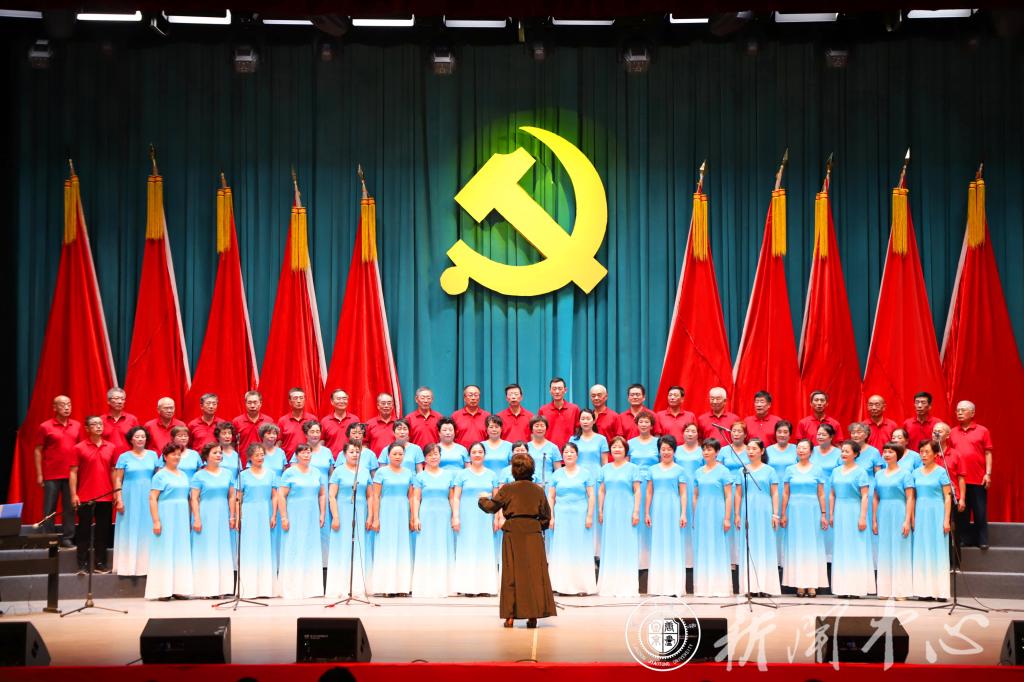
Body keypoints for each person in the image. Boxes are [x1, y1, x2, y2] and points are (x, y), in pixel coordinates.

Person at [478, 453, 556, 628]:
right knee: (534, 574)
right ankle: (533, 616)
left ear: (513, 470)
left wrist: (482, 498)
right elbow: (546, 516)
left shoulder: (508, 489)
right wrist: (535, 526)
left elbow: (491, 507)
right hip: (533, 533)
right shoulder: (538, 490)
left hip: (513, 532)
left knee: (511, 573)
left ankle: (510, 616)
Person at [145, 442, 193, 600]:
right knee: (164, 551)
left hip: (181, 516)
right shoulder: (160, 476)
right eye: (173, 454)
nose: (177, 457)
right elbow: (152, 498)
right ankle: (163, 590)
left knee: (180, 550)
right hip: (166, 515)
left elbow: (187, 497)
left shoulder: (184, 475)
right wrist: (156, 521)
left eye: (179, 454)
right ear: (165, 457)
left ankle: (179, 588)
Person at [547, 442, 597, 595]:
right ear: (562, 456)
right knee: (562, 549)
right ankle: (561, 585)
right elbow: (551, 497)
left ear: (577, 455)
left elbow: (591, 496)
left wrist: (589, 516)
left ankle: (581, 586)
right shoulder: (556, 474)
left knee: (580, 549)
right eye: (566, 452)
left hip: (580, 516)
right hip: (561, 516)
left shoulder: (586, 473)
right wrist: (551, 516)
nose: (569, 454)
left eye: (572, 452)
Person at [781, 439, 828, 597]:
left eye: (805, 448)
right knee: (797, 545)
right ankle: (799, 584)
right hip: (794, 511)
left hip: (813, 510)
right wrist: (783, 513)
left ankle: (812, 584)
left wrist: (823, 514)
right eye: (799, 448)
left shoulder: (817, 469)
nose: (801, 450)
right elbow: (785, 493)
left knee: (812, 546)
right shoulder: (790, 469)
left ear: (811, 451)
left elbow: (821, 494)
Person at [278, 443, 326, 598]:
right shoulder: (289, 473)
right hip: (294, 515)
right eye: (303, 453)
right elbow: (281, 495)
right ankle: (292, 587)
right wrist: (284, 517)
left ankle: (311, 588)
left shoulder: (316, 472)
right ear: (296, 455)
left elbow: (322, 494)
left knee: (311, 548)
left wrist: (322, 513)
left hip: (312, 515)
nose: (307, 455)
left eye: (309, 452)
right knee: (294, 547)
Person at [326, 441, 374, 598]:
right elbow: (332, 496)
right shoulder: (338, 472)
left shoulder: (364, 471)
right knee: (343, 548)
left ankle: (358, 587)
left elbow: (370, 496)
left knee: (359, 548)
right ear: (344, 454)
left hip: (360, 513)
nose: (355, 454)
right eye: (351, 452)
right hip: (343, 513)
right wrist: (335, 517)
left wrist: (370, 516)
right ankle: (340, 587)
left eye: (357, 452)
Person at [734, 438, 781, 596]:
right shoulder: (742, 470)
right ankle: (751, 587)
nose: (751, 451)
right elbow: (738, 494)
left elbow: (775, 493)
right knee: (750, 546)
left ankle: (766, 587)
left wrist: (775, 514)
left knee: (765, 546)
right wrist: (737, 514)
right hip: (747, 510)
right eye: (749, 449)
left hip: (765, 510)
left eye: (754, 448)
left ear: (762, 451)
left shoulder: (770, 470)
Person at [452, 442, 500, 595]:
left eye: (480, 452)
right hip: (466, 517)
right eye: (474, 452)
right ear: (469, 455)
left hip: (486, 517)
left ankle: (485, 587)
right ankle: (467, 587)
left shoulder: (492, 475)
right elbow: (456, 497)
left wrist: (497, 518)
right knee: (467, 548)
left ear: (484, 455)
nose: (477, 455)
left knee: (485, 549)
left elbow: (497, 499)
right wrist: (455, 517)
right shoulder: (462, 474)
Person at [70, 416, 116, 573]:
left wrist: (115, 492)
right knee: (83, 531)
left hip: (106, 495)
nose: (98, 426)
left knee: (102, 532)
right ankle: (82, 564)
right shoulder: (79, 448)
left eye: (100, 424)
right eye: (94, 424)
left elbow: (113, 471)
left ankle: (100, 564)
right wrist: (73, 494)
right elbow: (73, 472)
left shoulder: (111, 447)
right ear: (87, 428)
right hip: (85, 496)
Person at [596, 436, 642, 597]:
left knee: (626, 545)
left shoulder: (633, 468)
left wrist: (636, 511)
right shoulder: (605, 469)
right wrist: (600, 510)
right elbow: (602, 490)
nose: (617, 449)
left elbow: (637, 490)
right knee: (611, 544)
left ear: (625, 450)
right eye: (614, 447)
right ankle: (609, 585)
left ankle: (626, 586)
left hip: (627, 511)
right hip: (610, 510)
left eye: (620, 447)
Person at [34, 395, 82, 547]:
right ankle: (48, 538)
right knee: (50, 507)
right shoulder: (45, 426)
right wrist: (39, 474)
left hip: (71, 474)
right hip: (51, 474)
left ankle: (68, 537)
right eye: (62, 405)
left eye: (69, 404)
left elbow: (81, 449)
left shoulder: (77, 425)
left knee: (70, 508)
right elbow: (38, 450)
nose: (66, 407)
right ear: (54, 407)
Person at [828, 440, 874, 598]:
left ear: (855, 454)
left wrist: (863, 517)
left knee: (855, 548)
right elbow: (832, 494)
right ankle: (842, 588)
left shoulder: (861, 472)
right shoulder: (836, 471)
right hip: (840, 510)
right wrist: (831, 514)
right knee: (841, 548)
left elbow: (865, 496)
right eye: (842, 451)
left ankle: (856, 588)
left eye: (847, 451)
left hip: (855, 510)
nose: (843, 454)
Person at [190, 443, 236, 598]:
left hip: (222, 514)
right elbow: (194, 498)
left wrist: (232, 515)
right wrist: (196, 518)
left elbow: (231, 496)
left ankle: (222, 588)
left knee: (222, 550)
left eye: (220, 452)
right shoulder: (199, 476)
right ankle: (205, 589)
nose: (219, 455)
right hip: (205, 515)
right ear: (206, 456)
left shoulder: (228, 474)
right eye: (215, 452)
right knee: (206, 550)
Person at [410, 443, 456, 598]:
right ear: (425, 458)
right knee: (426, 548)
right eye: (430, 455)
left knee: (443, 547)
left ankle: (445, 586)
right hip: (426, 515)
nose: (433, 457)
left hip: (444, 514)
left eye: (436, 454)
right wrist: (415, 517)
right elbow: (416, 498)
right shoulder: (420, 476)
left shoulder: (449, 475)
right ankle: (425, 586)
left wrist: (454, 516)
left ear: (440, 456)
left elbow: (452, 498)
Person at [645, 436, 688, 596]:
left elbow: (683, 493)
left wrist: (683, 513)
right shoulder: (652, 469)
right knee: (658, 544)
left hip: (673, 509)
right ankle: (658, 587)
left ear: (674, 451)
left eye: (669, 449)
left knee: (673, 544)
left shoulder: (680, 470)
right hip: (657, 509)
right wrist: (647, 512)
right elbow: (649, 492)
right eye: (663, 449)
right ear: (659, 451)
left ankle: (674, 587)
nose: (666, 452)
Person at [113, 426, 159, 575]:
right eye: (137, 437)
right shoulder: (124, 457)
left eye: (143, 437)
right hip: (129, 496)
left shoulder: (153, 455)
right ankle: (128, 566)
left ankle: (147, 566)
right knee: (129, 527)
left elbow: (158, 477)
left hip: (149, 497)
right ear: (131, 439)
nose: (140, 439)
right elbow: (118, 479)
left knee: (147, 528)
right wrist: (119, 499)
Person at [371, 443, 416, 596]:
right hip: (386, 511)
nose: (398, 457)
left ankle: (402, 587)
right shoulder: (381, 472)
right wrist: (375, 518)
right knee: (387, 547)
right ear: (388, 455)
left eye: (400, 454)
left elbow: (411, 496)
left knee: (402, 547)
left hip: (403, 511)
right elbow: (376, 496)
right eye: (394, 454)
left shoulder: (409, 472)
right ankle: (386, 587)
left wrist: (413, 517)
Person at [691, 438, 734, 597]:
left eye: (709, 449)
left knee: (717, 546)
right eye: (704, 449)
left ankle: (719, 586)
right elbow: (695, 496)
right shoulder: (698, 472)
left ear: (717, 452)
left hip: (718, 511)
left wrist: (727, 518)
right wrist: (695, 515)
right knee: (703, 546)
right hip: (702, 512)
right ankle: (703, 586)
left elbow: (728, 496)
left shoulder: (724, 471)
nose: (706, 452)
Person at [948, 400, 993, 549]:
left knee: (980, 511)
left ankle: (982, 540)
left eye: (963, 410)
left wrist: (988, 474)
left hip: (978, 478)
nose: (959, 413)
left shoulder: (982, 431)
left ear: (972, 413)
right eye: (957, 410)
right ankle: (964, 539)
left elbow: (988, 453)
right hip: (959, 479)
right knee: (962, 512)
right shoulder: (952, 432)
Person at [874, 442, 916, 599]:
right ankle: (884, 589)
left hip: (899, 510)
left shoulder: (905, 474)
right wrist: (874, 520)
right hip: (883, 511)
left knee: (900, 550)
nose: (886, 454)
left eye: (890, 452)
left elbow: (910, 497)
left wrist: (907, 520)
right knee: (884, 550)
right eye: (885, 451)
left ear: (897, 455)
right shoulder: (879, 474)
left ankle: (901, 590)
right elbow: (876, 498)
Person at [913, 440, 952, 600]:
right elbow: (912, 497)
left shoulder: (941, 472)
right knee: (922, 550)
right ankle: (924, 591)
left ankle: (940, 591)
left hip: (937, 512)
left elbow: (947, 497)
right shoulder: (915, 473)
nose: (923, 455)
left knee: (938, 551)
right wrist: (912, 517)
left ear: (936, 454)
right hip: (921, 512)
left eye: (927, 452)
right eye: (921, 452)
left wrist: (946, 520)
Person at [238, 443, 278, 599]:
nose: (260, 457)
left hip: (265, 512)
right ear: (250, 457)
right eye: (257, 455)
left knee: (265, 548)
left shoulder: (271, 474)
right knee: (250, 548)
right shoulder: (243, 475)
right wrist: (237, 516)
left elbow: (274, 496)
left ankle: (265, 589)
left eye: (262, 454)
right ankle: (249, 588)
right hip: (249, 513)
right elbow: (238, 498)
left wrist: (273, 515)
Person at [627, 411, 659, 569]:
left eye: (647, 422)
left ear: (652, 425)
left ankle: (652, 559)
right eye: (641, 422)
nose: (644, 424)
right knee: (636, 519)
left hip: (654, 485)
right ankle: (636, 559)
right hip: (635, 486)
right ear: (637, 424)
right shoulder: (630, 443)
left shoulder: (658, 442)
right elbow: (626, 465)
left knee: (652, 518)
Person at [765, 420, 797, 566]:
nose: (782, 435)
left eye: (785, 432)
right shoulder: (768, 450)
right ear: (775, 433)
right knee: (774, 522)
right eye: (779, 432)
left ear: (790, 434)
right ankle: (775, 559)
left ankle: (788, 559)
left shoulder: (796, 449)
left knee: (789, 523)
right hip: (773, 490)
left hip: (792, 491)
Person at [812, 424, 842, 560]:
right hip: (813, 491)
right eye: (818, 434)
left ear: (831, 437)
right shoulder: (811, 451)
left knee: (830, 520)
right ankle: (816, 554)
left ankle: (829, 556)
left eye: (824, 434)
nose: (820, 437)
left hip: (831, 491)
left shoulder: (838, 453)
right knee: (815, 521)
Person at [538, 377, 580, 449]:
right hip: (548, 450)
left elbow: (578, 431)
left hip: (568, 451)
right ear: (550, 391)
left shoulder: (574, 409)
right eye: (554, 389)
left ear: (565, 390)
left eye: (560, 389)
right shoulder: (543, 410)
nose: (557, 391)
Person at [232, 390, 275, 460]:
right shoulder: (236, 422)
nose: (252, 406)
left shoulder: (269, 421)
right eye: (249, 403)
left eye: (255, 402)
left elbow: (273, 442)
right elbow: (232, 443)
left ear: (260, 403)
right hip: (243, 462)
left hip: (264, 461)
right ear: (245, 403)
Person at [277, 388, 316, 455]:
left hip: (307, 458)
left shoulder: (312, 419)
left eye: (301, 398)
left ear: (304, 400)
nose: (299, 401)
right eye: (295, 398)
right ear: (290, 401)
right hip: (288, 459)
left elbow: (316, 441)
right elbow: (278, 443)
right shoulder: (282, 421)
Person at [101, 387, 138, 455]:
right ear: (108, 401)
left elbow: (137, 441)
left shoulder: (132, 419)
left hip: (128, 458)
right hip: (107, 457)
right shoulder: (101, 420)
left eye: (122, 399)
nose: (120, 402)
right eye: (116, 398)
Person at [322, 388, 361, 453]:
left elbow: (359, 441)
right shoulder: (325, 421)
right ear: (332, 402)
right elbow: (321, 442)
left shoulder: (355, 420)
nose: (342, 401)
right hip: (331, 458)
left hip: (350, 458)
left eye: (344, 398)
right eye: (338, 399)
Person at [451, 384, 490, 449]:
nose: (473, 398)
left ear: (479, 398)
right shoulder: (455, 416)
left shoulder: (487, 416)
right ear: (464, 398)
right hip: (461, 453)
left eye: (476, 395)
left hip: (481, 453)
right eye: (470, 395)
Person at [527, 416, 562, 483]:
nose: (539, 428)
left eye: (542, 426)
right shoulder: (526, 447)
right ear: (531, 428)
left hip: (548, 484)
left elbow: (558, 471)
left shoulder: (553, 447)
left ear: (546, 428)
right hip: (530, 484)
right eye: (537, 426)